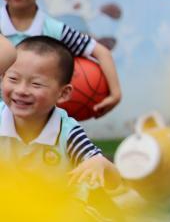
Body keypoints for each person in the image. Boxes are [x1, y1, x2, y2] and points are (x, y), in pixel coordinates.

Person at [1, 36, 119, 186]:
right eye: (13, 79)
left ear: (63, 93)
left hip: (60, 206)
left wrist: (101, 163)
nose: (21, 90)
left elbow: (114, 181)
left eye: (36, 84)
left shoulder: (67, 132)